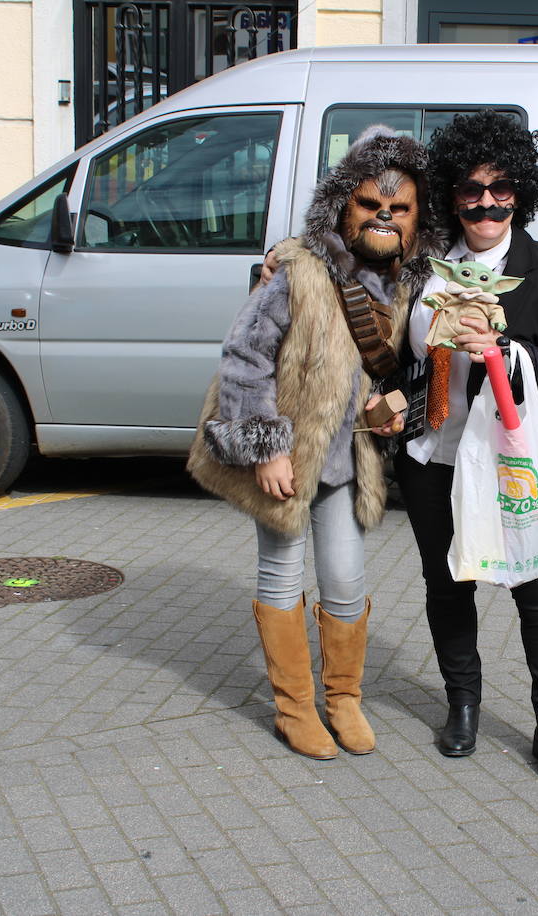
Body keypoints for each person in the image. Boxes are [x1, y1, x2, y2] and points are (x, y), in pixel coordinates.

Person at [188, 125, 440, 760]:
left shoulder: (411, 282)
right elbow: (245, 356)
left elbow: (397, 364)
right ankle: (294, 710)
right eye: (370, 203)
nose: (384, 215)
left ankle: (344, 700)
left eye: (399, 207)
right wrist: (265, 448)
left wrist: (393, 404)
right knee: (280, 571)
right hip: (288, 454)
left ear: (416, 219)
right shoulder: (297, 269)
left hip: (347, 459)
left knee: (346, 579)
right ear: (342, 205)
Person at [395, 110, 538, 784]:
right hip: (433, 459)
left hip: (516, 462)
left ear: (520, 193)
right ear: (452, 194)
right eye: (472, 188)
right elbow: (391, 347)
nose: (486, 201)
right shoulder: (421, 270)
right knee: (448, 588)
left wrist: (506, 350)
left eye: (501, 187)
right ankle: (463, 706)